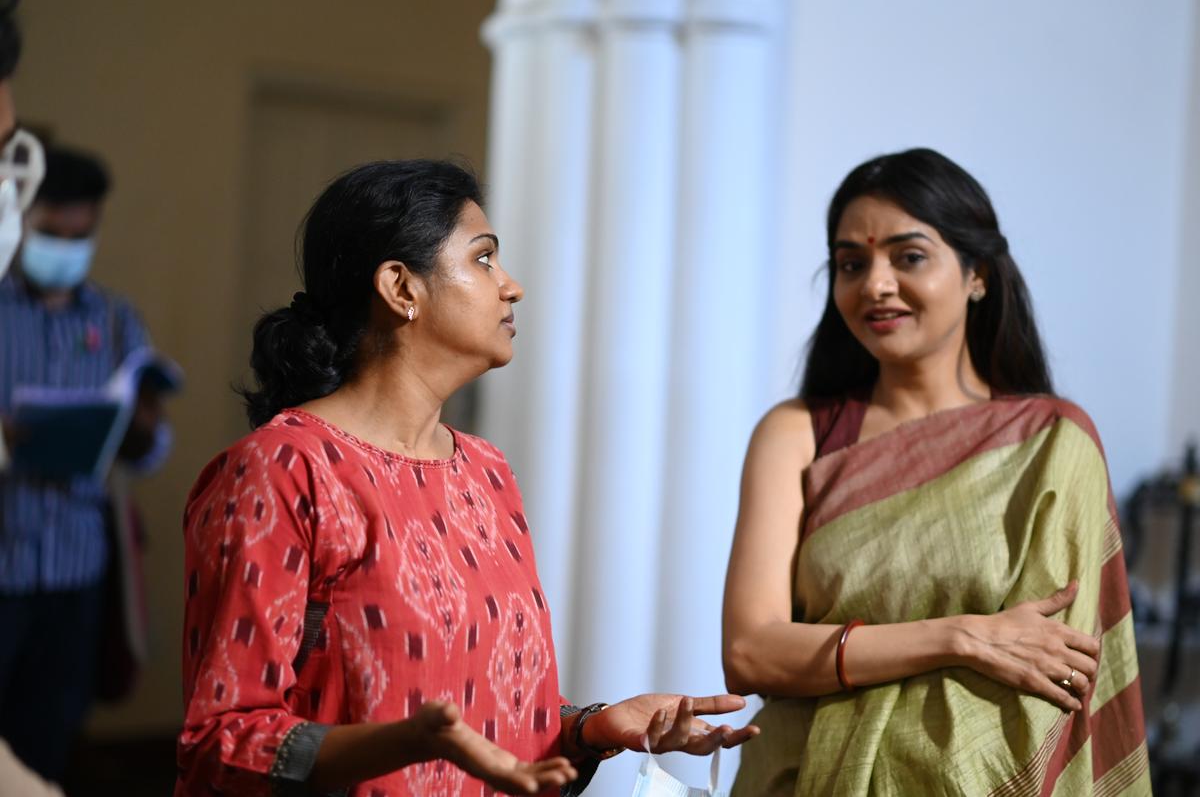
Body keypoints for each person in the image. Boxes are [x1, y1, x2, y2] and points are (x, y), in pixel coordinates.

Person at [177, 159, 759, 796]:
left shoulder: (484, 469)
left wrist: (590, 728)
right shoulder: (284, 469)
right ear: (402, 288)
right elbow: (221, 740)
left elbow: (488, 720)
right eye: (484, 259)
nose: (512, 287)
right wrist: (408, 742)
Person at [722, 148, 1147, 795]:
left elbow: (1052, 678)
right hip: (800, 777)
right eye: (851, 264)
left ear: (977, 273)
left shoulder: (1051, 445)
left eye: (909, 256)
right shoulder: (798, 434)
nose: (876, 284)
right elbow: (750, 652)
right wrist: (961, 637)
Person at [0, 144, 172, 781]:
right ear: (22, 220)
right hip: (3, 563)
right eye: (51, 233)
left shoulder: (117, 320)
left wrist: (139, 431)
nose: (66, 248)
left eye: (81, 235)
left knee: (47, 745)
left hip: (77, 571)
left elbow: (152, 452)